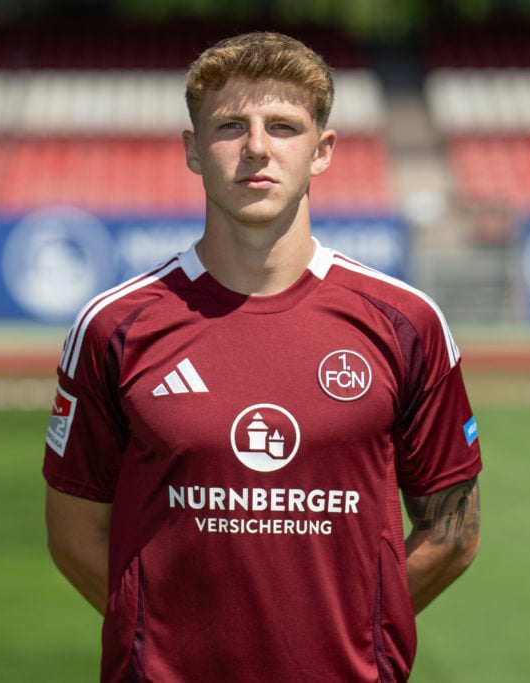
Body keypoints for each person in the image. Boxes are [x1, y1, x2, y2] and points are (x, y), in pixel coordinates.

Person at [42, 31, 482, 682]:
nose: (256, 147)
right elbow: (75, 534)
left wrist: (341, 637)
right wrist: (173, 645)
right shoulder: (115, 325)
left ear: (322, 151)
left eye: (282, 126)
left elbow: (453, 531)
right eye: (229, 126)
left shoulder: (406, 323)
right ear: (193, 151)